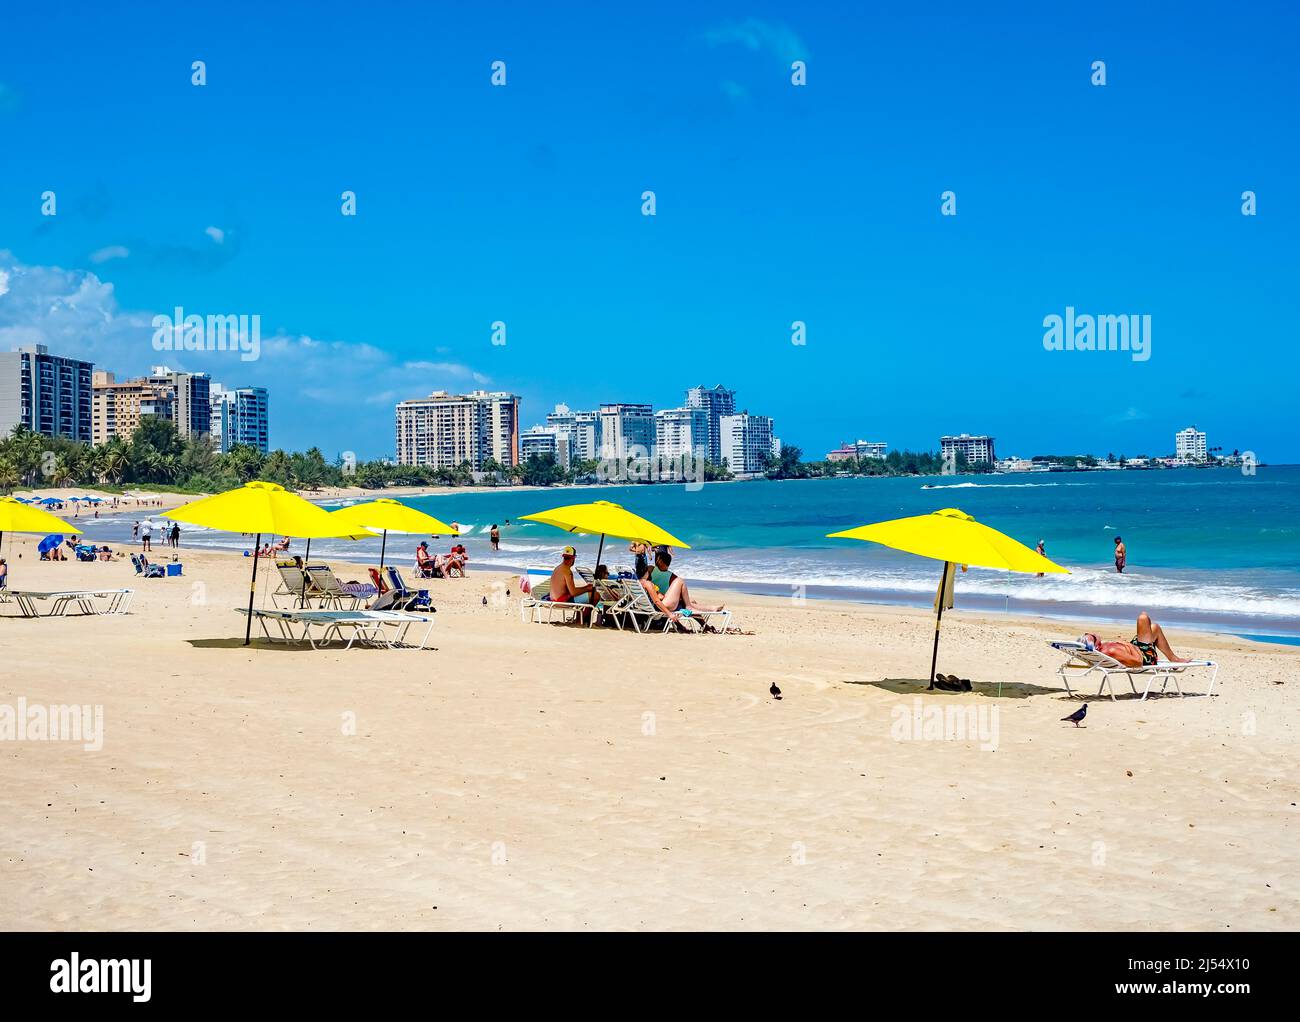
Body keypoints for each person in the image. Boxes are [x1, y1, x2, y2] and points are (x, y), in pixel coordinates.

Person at [1082, 612, 1187, 668]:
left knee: (1154, 627)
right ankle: (1174, 659)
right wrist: (1130, 647)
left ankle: (1174, 658)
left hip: (1136, 648)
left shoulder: (1103, 648)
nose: (1095, 635)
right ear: (1095, 645)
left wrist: (1126, 645)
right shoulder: (1110, 651)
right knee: (1143, 618)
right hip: (1145, 656)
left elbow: (1094, 636)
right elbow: (1137, 662)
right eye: (1094, 637)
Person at [648, 550, 724, 614]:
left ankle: (711, 608)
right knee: (686, 599)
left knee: (690, 601)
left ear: (660, 561)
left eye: (657, 559)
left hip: (659, 602)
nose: (656, 560)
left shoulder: (650, 570)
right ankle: (698, 610)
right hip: (662, 604)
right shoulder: (672, 577)